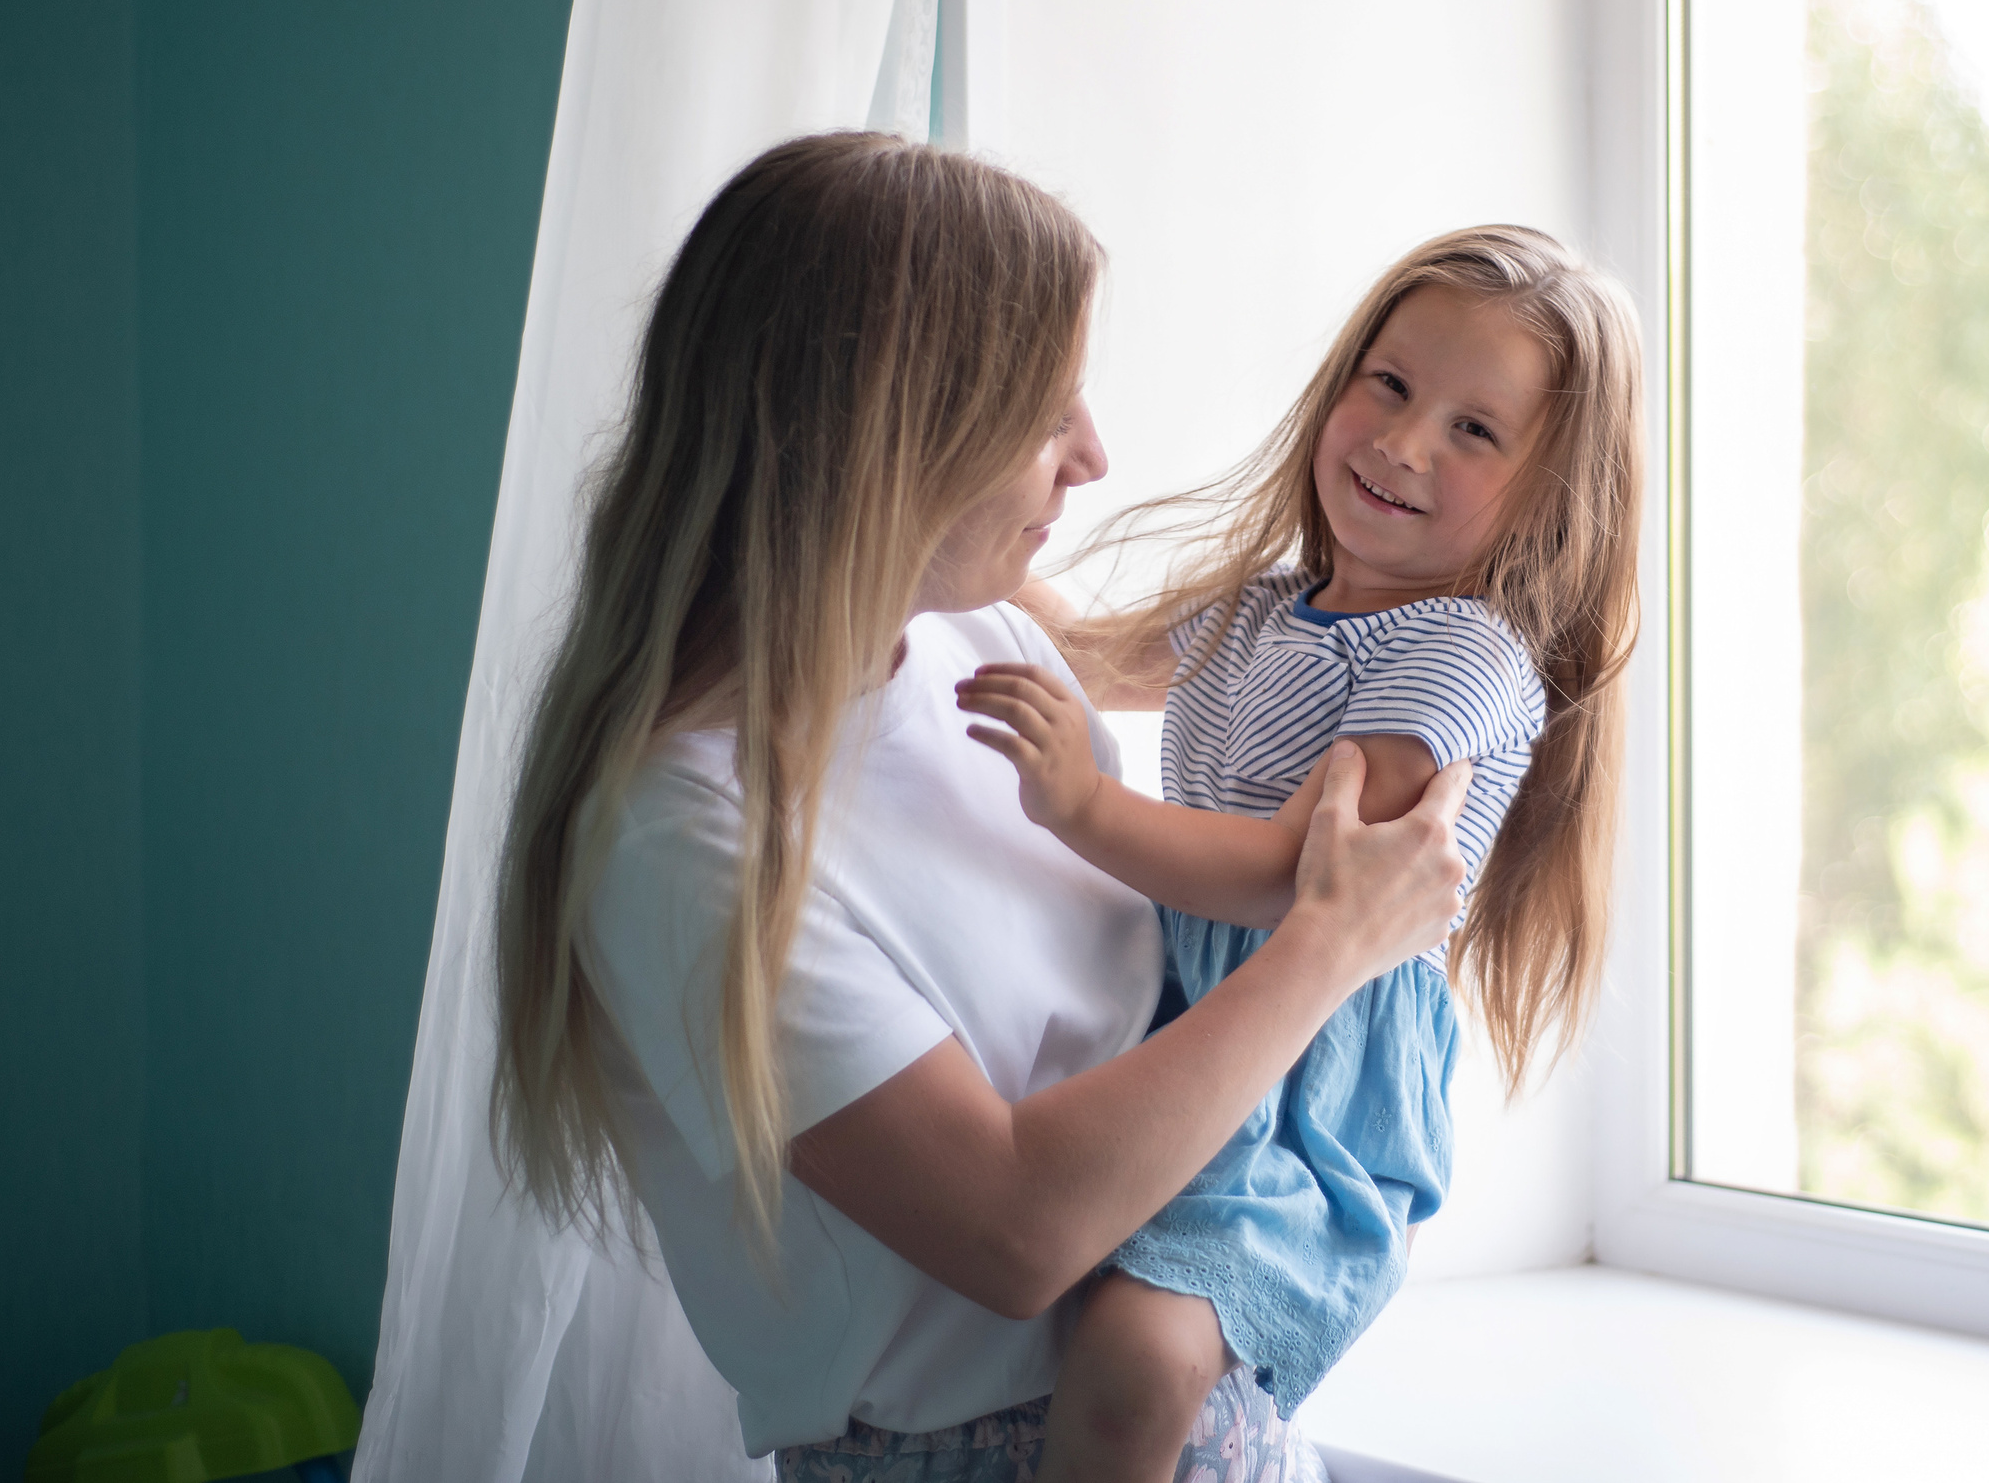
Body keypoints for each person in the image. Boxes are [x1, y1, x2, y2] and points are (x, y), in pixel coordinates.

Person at [487, 131, 1474, 1481]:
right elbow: (1014, 1229)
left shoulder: (975, 637)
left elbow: (1207, 677)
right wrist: (1327, 947)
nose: (1092, 457)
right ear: (885, 436)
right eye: (1045, 410)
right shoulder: (684, 836)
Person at [960, 226, 1644, 1483]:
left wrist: (1081, 808)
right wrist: (965, 531)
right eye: (1387, 384)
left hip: (1310, 1081)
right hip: (1187, 1023)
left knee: (1139, 1360)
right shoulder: (1268, 608)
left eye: (1473, 430)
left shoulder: (1463, 656)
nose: (1401, 441)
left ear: (1552, 495)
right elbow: (1095, 650)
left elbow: (1298, 877)